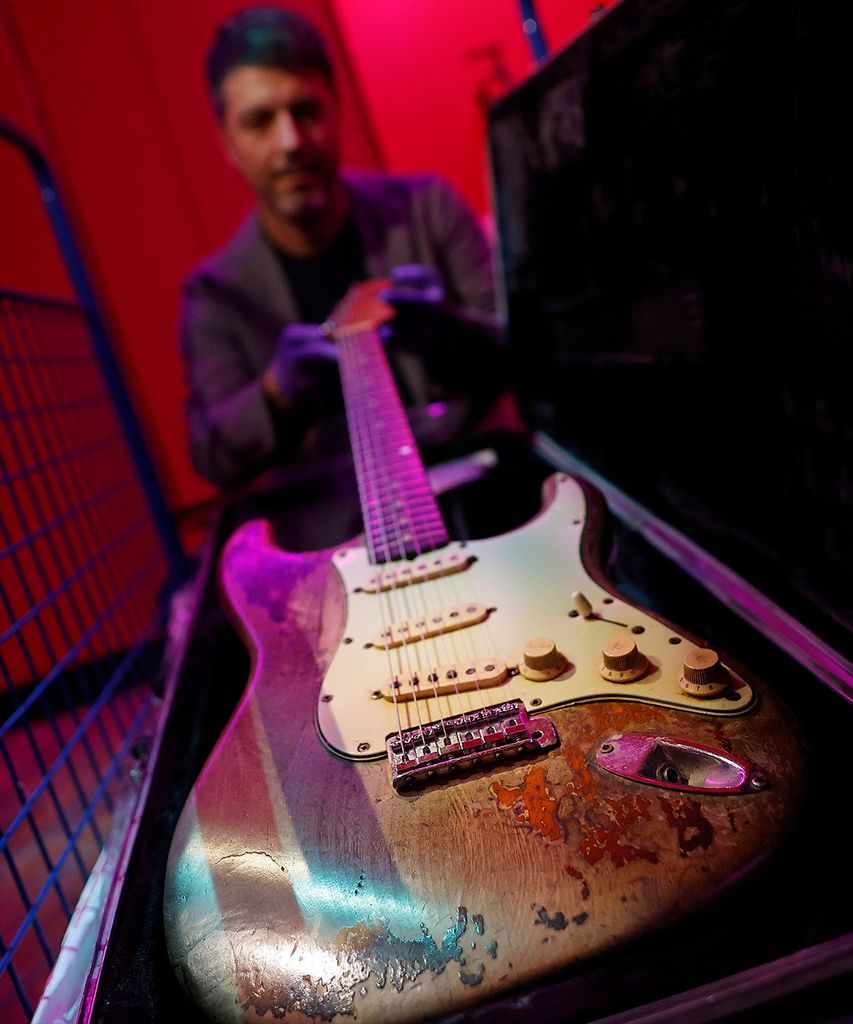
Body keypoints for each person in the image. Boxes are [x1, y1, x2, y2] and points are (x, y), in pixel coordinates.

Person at [181, 5, 518, 497]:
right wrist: (276, 391)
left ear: (336, 110)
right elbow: (212, 453)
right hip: (334, 529)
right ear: (227, 143)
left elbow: (525, 350)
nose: (291, 142)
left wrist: (444, 330)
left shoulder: (428, 208)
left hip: (475, 485)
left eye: (307, 111)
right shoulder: (215, 296)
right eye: (259, 121)